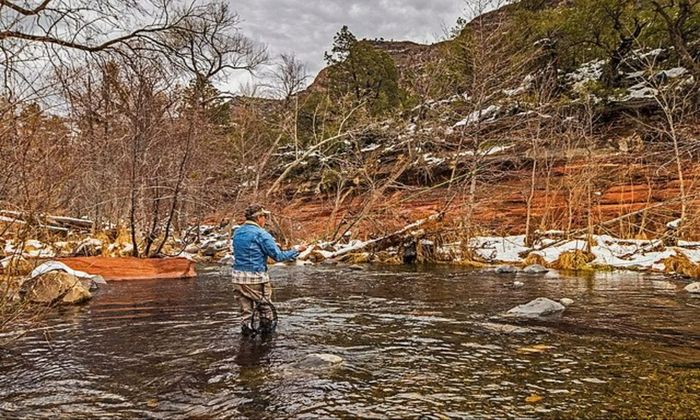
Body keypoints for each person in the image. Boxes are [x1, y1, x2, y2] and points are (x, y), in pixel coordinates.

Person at [231, 203, 306, 336]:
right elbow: (278, 256)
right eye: (264, 216)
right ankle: (266, 343)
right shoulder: (261, 234)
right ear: (259, 217)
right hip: (256, 279)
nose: (265, 219)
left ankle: (246, 346)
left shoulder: (237, 232)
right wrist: (297, 250)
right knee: (266, 310)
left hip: (237, 278)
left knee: (246, 314)